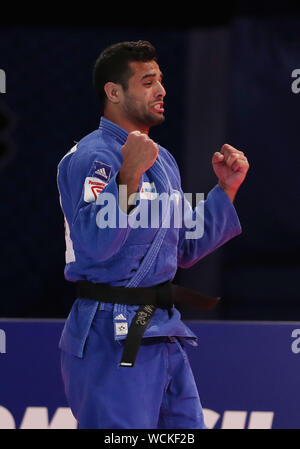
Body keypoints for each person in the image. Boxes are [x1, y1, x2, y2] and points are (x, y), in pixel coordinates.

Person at [57, 40, 249, 429]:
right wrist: (128, 177)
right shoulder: (91, 158)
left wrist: (225, 190)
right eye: (147, 82)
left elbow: (183, 248)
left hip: (161, 330)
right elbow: (94, 246)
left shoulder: (163, 161)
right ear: (114, 92)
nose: (161, 91)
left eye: (160, 80)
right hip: (110, 333)